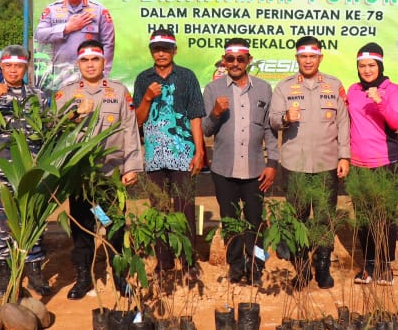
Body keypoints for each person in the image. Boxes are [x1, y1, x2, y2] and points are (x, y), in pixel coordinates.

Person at [55, 40, 142, 299]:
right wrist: (73, 116)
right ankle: (84, 278)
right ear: (78, 64)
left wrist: (132, 166)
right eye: (85, 60)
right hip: (80, 178)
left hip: (111, 176)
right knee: (83, 228)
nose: (90, 65)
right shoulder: (67, 94)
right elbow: (55, 131)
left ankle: (120, 278)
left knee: (113, 225)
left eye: (95, 60)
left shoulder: (118, 91)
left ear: (104, 63)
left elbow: (130, 130)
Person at [0, 46, 52, 296]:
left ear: (25, 68)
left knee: (32, 216)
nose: (13, 70)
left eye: (18, 66)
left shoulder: (39, 95)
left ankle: (35, 269)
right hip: (0, 168)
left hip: (31, 168)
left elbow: (49, 126)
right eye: (8, 66)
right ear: (1, 68)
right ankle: (4, 273)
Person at [270, 35, 351, 289]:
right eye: (303, 57)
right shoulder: (284, 87)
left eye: (312, 56)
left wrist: (344, 156)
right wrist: (285, 117)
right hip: (295, 167)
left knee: (324, 218)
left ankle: (323, 268)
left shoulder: (334, 85)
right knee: (299, 219)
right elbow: (272, 120)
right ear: (297, 59)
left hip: (327, 164)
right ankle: (302, 269)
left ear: (320, 58)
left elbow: (343, 123)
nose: (307, 61)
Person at [202, 38, 278, 286]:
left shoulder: (264, 89)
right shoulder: (213, 90)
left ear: (249, 60)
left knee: (256, 223)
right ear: (224, 61)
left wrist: (272, 163)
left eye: (240, 59)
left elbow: (269, 129)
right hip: (224, 170)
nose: (235, 63)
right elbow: (205, 129)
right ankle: (236, 268)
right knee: (231, 222)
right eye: (230, 59)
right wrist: (214, 113)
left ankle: (257, 266)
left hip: (256, 170)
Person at [132, 30, 206, 276]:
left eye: (165, 48)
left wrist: (200, 151)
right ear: (151, 51)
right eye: (156, 49)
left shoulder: (187, 77)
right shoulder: (144, 79)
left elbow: (196, 115)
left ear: (175, 50)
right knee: (159, 209)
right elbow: (138, 121)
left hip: (183, 152)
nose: (161, 53)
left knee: (185, 207)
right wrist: (148, 98)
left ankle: (188, 261)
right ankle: (163, 263)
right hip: (154, 156)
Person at [346, 42, 398, 285]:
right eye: (362, 66)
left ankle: (385, 266)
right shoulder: (352, 90)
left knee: (385, 216)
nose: (367, 70)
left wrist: (380, 101)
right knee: (364, 217)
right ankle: (368, 265)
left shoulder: (391, 90)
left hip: (386, 162)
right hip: (358, 164)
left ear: (380, 65)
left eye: (371, 65)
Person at [35, 0, 116, 85]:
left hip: (91, 75)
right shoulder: (52, 10)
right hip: (59, 76)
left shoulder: (99, 10)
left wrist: (104, 73)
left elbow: (108, 44)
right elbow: (39, 35)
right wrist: (67, 28)